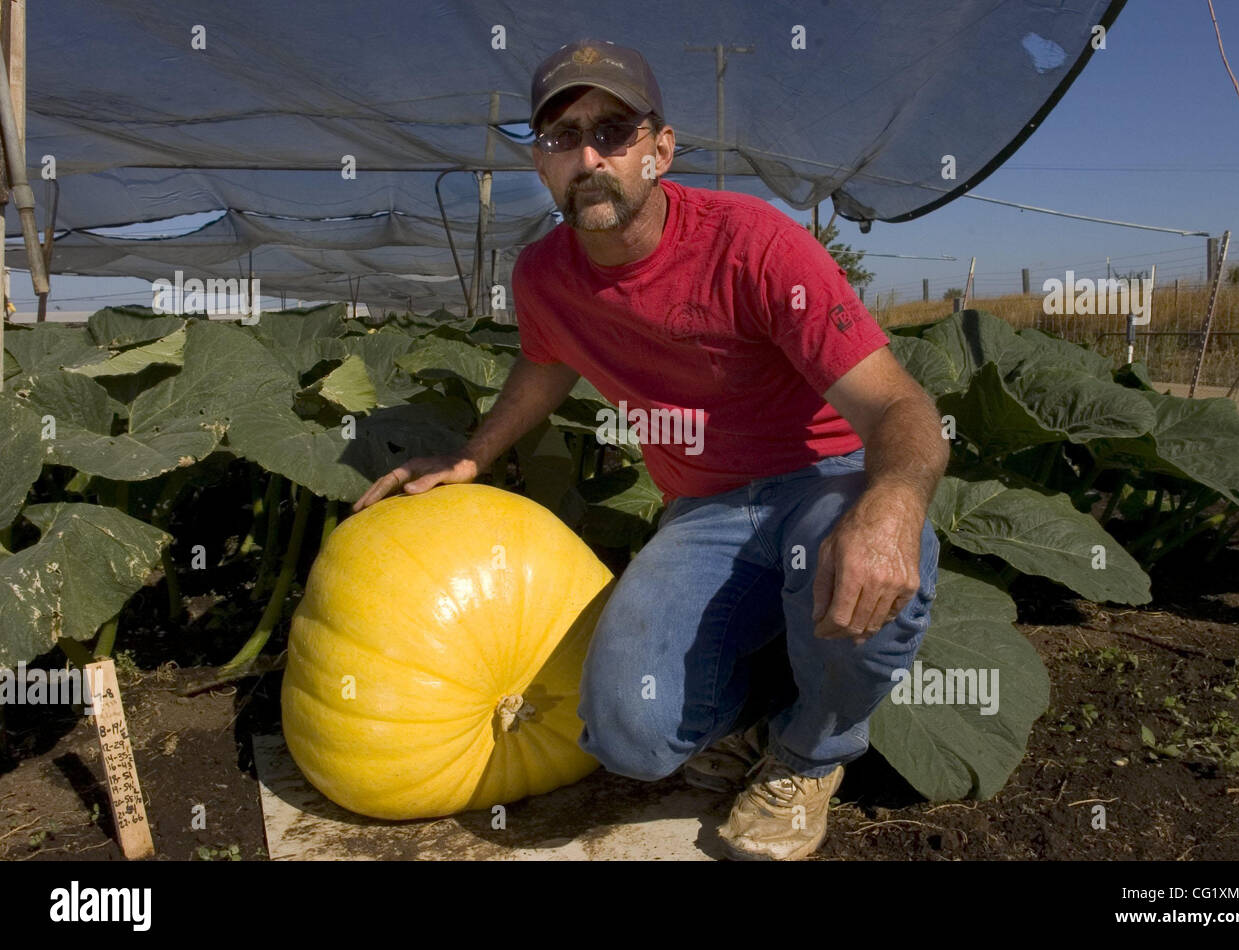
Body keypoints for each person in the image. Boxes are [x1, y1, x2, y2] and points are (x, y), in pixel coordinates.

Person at [352, 39, 948, 861]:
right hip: (705, 511)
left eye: (613, 130)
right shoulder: (544, 276)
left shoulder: (756, 246)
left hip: (823, 484)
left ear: (661, 150)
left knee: (872, 550)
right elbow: (544, 365)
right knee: (629, 737)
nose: (588, 155)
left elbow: (898, 405)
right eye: (562, 137)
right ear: (541, 161)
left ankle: (812, 754)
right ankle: (774, 690)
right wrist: (472, 455)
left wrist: (890, 505)